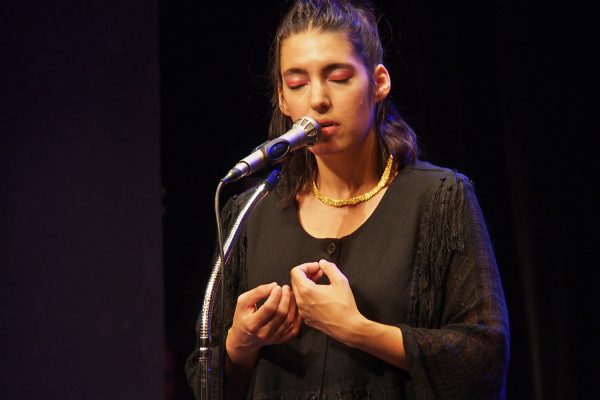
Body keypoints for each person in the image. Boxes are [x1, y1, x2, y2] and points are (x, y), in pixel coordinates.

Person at [186, 0, 510, 398]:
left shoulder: (440, 198)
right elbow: (207, 386)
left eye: (338, 77)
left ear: (379, 83)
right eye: (297, 82)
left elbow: (483, 360)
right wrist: (241, 342)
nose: (317, 99)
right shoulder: (250, 212)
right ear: (283, 99)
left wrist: (356, 328)